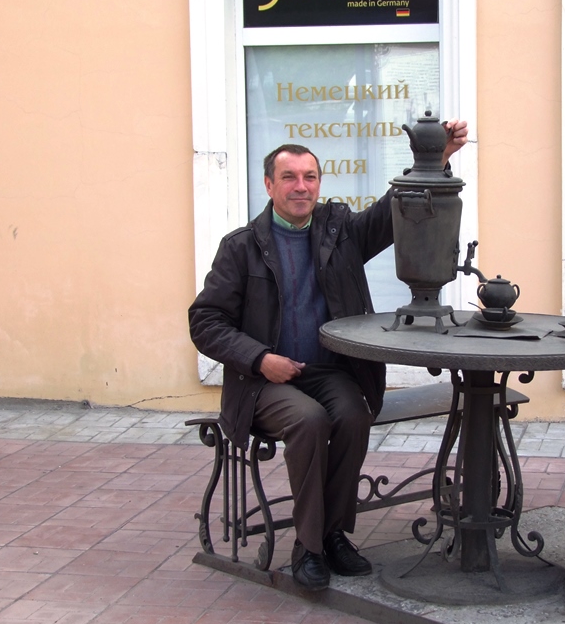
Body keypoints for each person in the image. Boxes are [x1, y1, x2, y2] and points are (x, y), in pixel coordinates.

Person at [188, 120, 468, 590]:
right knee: (310, 421)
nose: (301, 187)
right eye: (290, 178)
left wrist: (435, 160)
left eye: (310, 177)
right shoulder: (240, 247)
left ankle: (334, 533)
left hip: (326, 371)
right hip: (263, 382)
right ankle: (310, 546)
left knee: (353, 415)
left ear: (319, 182)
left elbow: (390, 212)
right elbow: (206, 322)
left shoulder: (340, 232)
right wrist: (259, 358)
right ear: (269, 185)